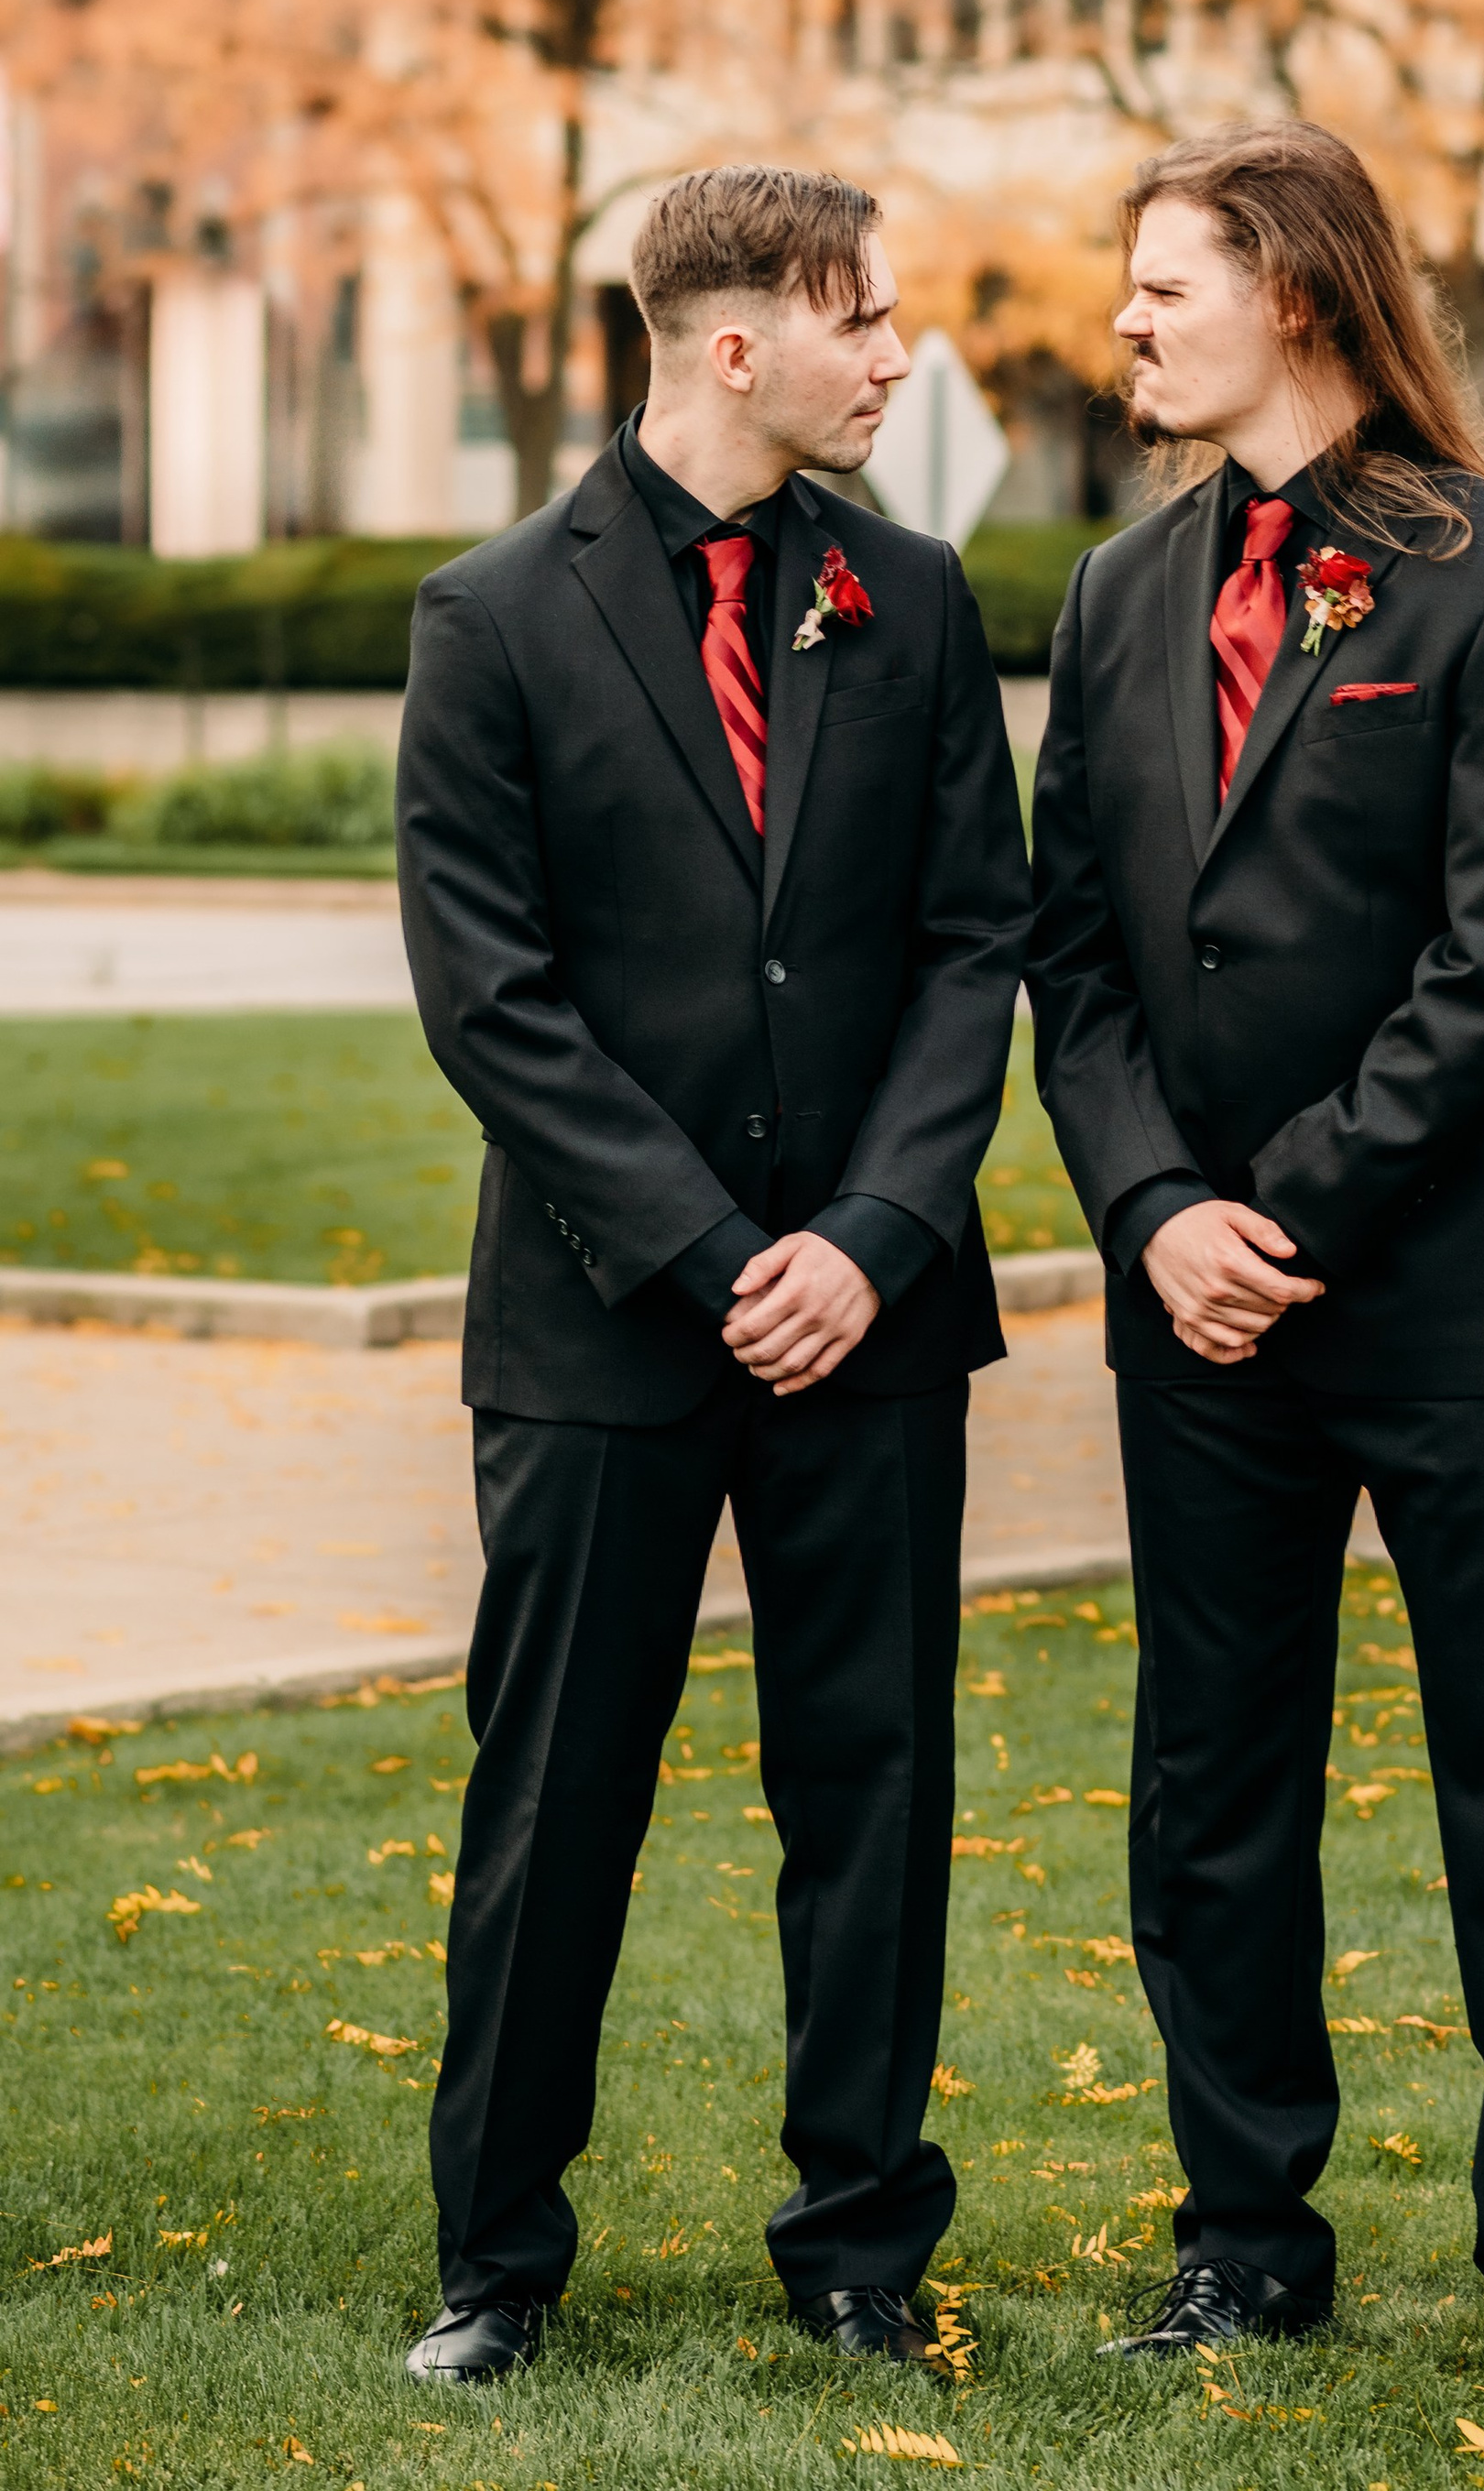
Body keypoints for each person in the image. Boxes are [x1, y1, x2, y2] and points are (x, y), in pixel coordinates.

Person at [1027, 118, 1484, 2394]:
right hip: (1199, 1311)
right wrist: (1155, 1215)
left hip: (1477, 1293)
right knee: (1209, 1785)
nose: (1123, 321)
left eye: (1162, 285)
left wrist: (1278, 1208)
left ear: (1292, 294)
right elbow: (1076, 962)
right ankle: (1243, 2234)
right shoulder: (1113, 596)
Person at [395, 165, 1027, 2387]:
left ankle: (859, 2238)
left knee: (870, 1788)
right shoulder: (491, 617)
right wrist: (704, 1249)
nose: (898, 356)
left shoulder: (919, 597)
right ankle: (497, 2259)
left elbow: (977, 946)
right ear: (735, 342)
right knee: (555, 1790)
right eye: (866, 320)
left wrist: (865, 1239)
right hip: (598, 1327)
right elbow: (489, 998)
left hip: (873, 1323)